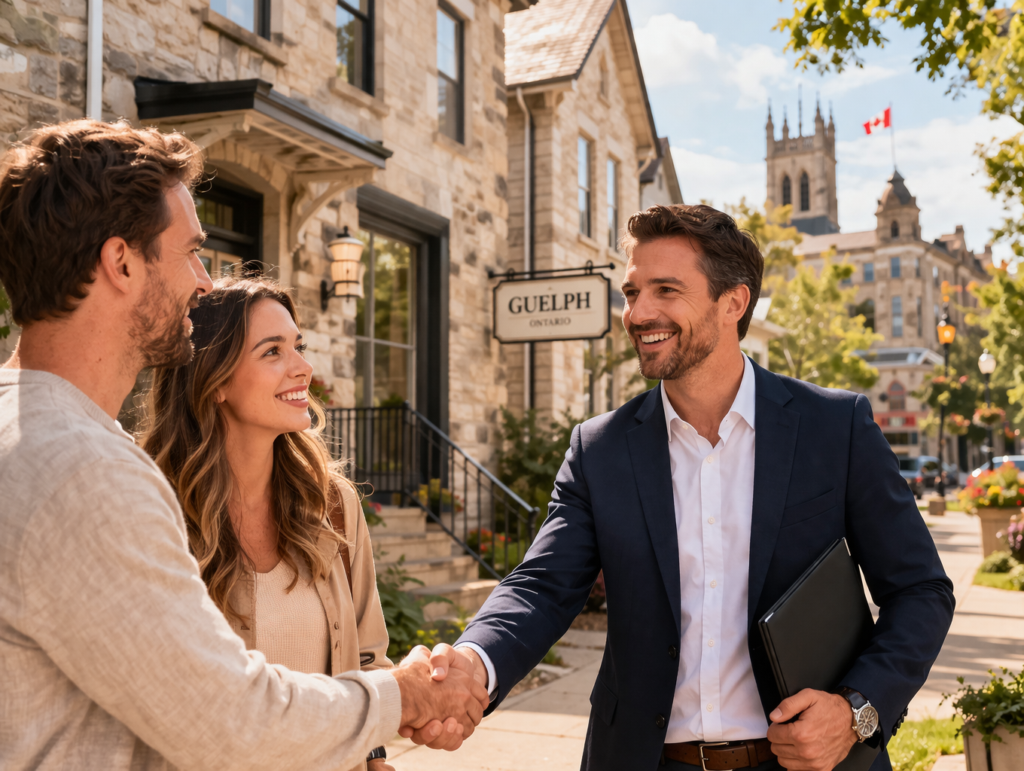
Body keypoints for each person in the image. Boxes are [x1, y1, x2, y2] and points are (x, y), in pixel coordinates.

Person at [0, 119, 484, 771]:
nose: (203, 282)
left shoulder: (33, 431)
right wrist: (405, 694)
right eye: (190, 252)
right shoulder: (88, 475)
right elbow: (227, 719)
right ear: (121, 263)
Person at [423, 204, 956, 771]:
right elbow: (541, 587)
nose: (638, 313)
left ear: (733, 303)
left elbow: (920, 590)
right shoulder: (599, 450)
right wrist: (472, 664)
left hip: (809, 762)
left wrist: (856, 712)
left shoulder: (835, 428)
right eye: (632, 292)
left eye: (666, 290)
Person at [142, 277, 395, 771]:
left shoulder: (333, 504)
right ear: (215, 380)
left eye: (298, 346)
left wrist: (374, 755)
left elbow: (368, 658)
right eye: (273, 351)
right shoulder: (154, 510)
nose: (303, 367)